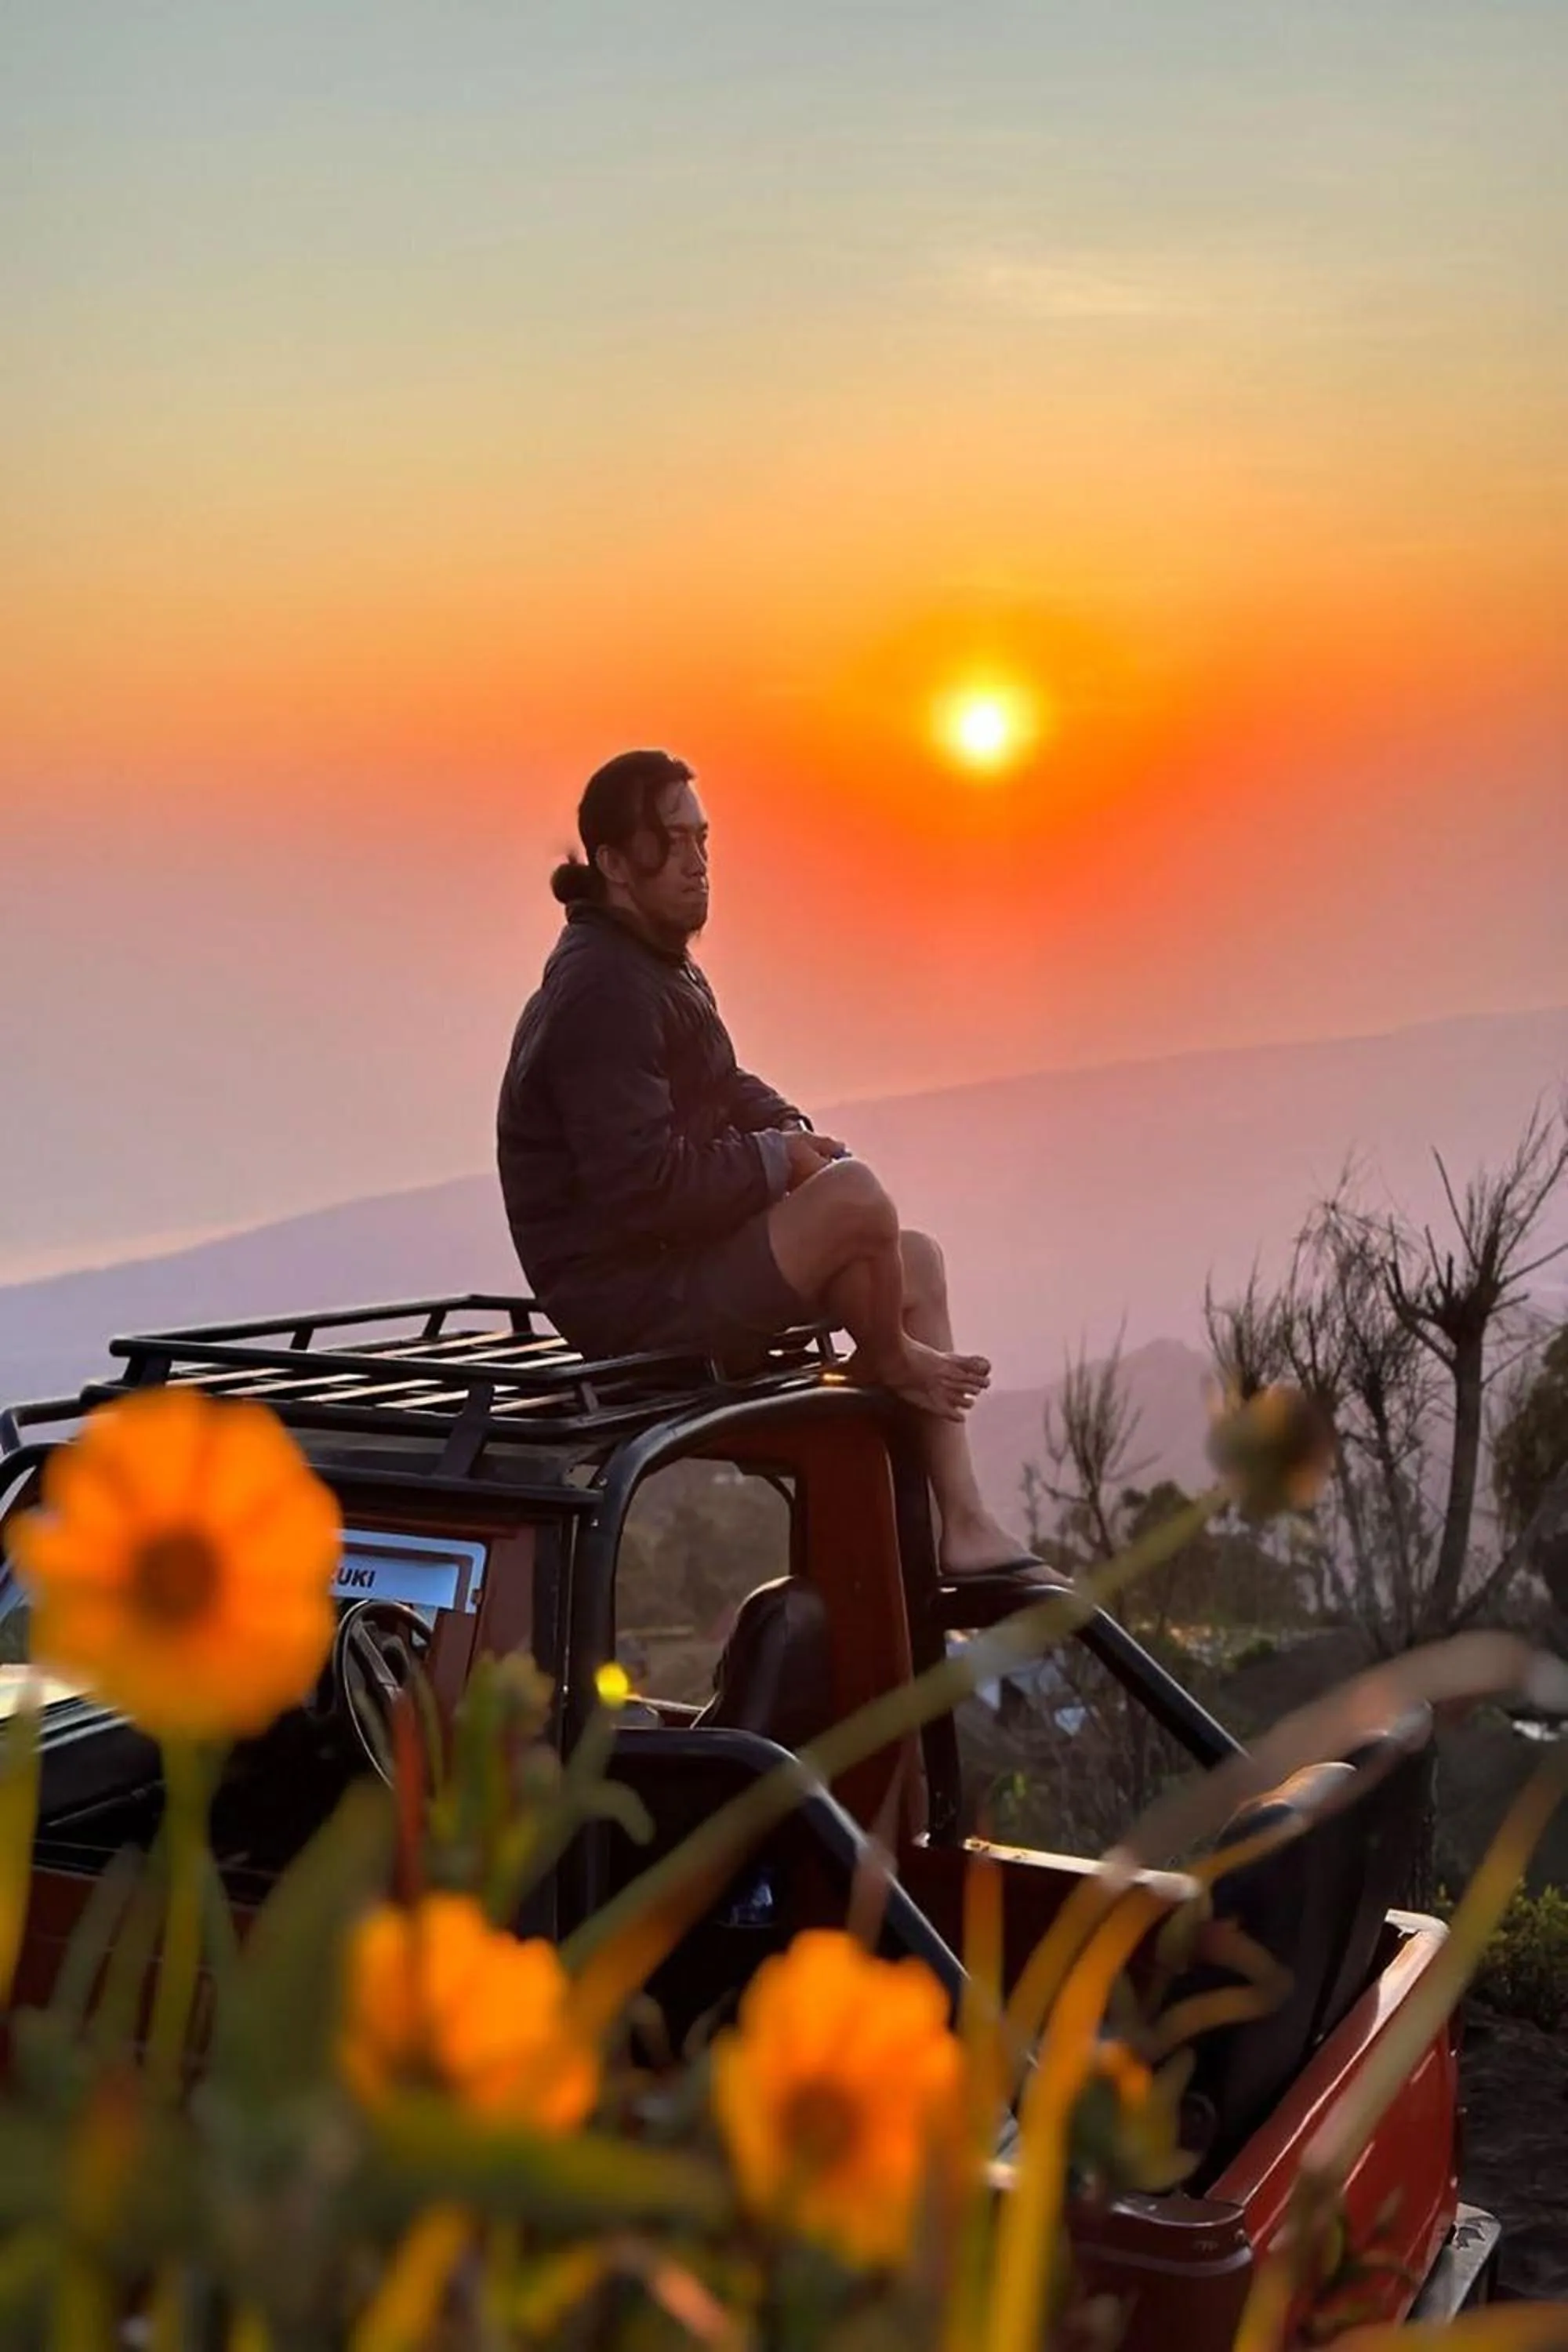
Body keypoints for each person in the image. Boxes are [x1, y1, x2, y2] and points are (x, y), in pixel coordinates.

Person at [496, 747, 1033, 1576]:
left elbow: (720, 1084)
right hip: (635, 1302)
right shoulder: (602, 991)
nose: (695, 862)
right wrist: (779, 1161)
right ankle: (886, 1359)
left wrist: (791, 1134)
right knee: (859, 1204)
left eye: (702, 840)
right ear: (611, 863)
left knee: (911, 1262)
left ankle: (959, 1523)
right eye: (668, 843)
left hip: (670, 1267)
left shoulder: (651, 964)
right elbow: (643, 1188)